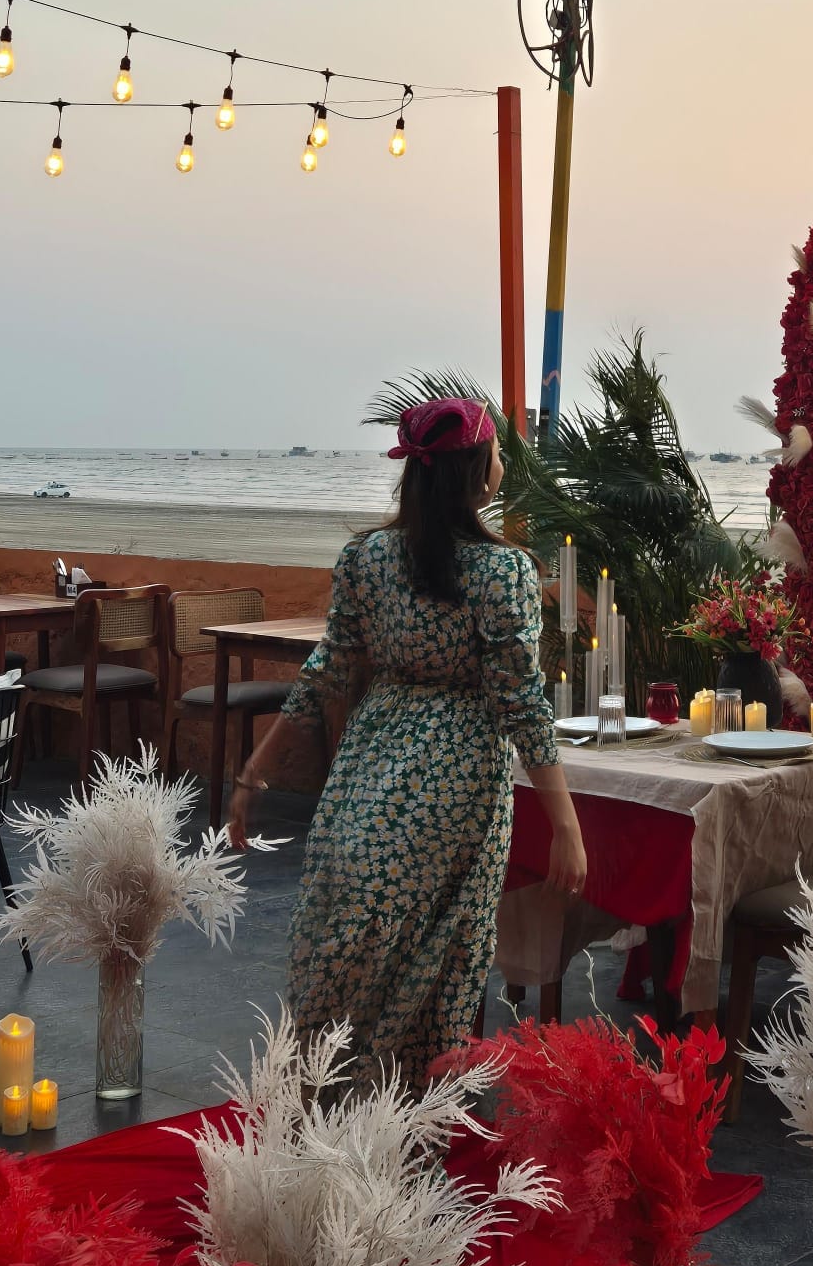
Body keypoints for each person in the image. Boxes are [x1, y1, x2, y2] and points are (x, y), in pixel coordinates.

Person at [227, 398, 587, 1090]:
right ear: (476, 470)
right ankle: (413, 1104)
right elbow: (523, 707)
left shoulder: (365, 557)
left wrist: (253, 771)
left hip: (370, 760)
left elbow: (324, 673)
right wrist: (566, 829)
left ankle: (330, 1087)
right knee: (441, 951)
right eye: (497, 452)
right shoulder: (503, 571)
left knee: (349, 925)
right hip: (458, 776)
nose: (503, 463)